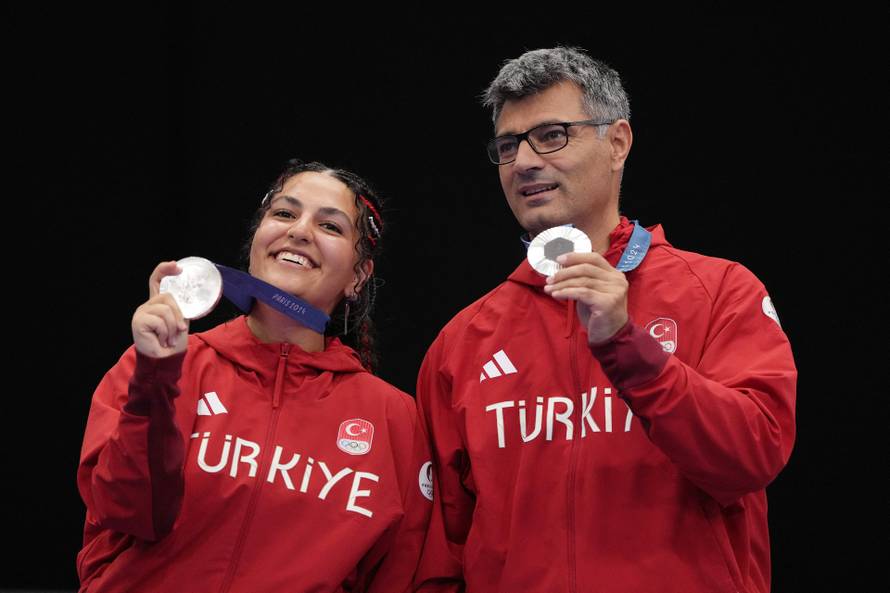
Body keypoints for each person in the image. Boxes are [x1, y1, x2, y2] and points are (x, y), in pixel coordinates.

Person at [413, 47, 796, 593]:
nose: (523, 162)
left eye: (551, 136)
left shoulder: (721, 291)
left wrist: (631, 350)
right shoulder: (461, 342)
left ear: (617, 143)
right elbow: (440, 555)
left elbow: (753, 456)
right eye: (508, 146)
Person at [76, 160, 432, 593]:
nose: (299, 231)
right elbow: (127, 511)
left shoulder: (394, 419)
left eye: (330, 226)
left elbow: (404, 576)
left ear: (358, 277)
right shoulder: (162, 365)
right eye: (284, 213)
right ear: (257, 239)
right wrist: (156, 379)